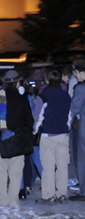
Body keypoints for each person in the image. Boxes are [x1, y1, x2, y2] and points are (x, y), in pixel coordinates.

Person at [0, 71, 34, 207]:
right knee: (16, 172)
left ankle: (1, 199)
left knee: (0, 171)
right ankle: (13, 200)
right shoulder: (22, 99)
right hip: (17, 141)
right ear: (18, 83)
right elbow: (29, 121)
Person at [33, 69, 71, 203]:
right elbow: (69, 116)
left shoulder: (43, 96)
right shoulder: (66, 96)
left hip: (47, 134)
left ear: (47, 80)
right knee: (62, 165)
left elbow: (38, 116)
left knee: (48, 166)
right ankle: (62, 193)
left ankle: (48, 194)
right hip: (62, 133)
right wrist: (67, 127)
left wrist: (34, 131)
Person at [70, 62, 85, 201]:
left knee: (82, 160)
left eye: (77, 73)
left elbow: (74, 109)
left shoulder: (81, 88)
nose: (76, 76)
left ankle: (84, 191)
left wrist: (67, 123)